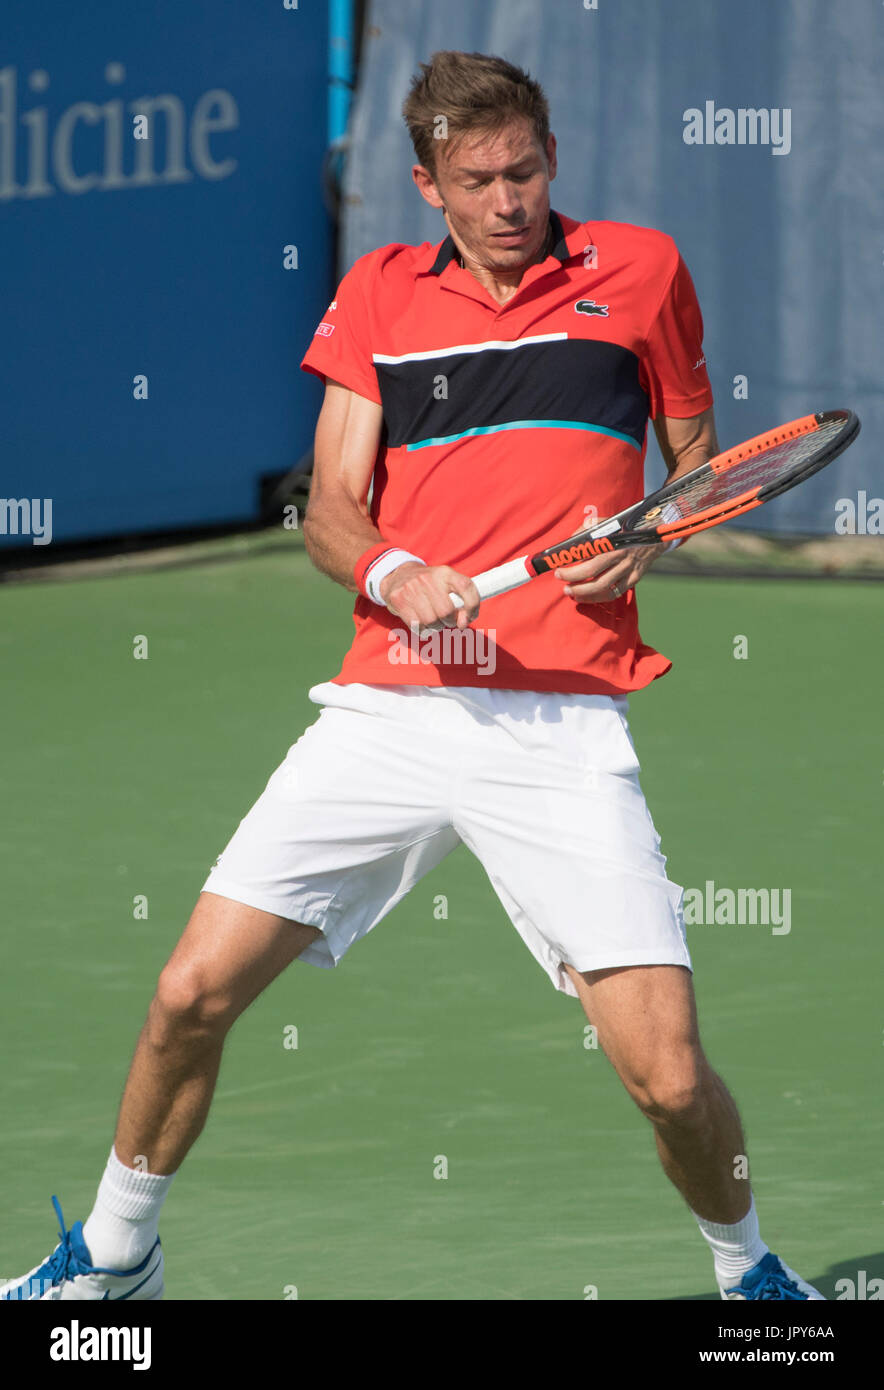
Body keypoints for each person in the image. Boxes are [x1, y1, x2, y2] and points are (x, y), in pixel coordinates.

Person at [2, 50, 822, 1302]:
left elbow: (699, 463)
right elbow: (331, 508)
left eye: (528, 171)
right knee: (187, 993)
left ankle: (749, 1275)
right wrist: (392, 573)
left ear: (553, 158)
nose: (509, 201)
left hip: (558, 721)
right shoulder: (378, 295)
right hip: (391, 706)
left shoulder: (642, 270)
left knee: (662, 1073)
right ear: (426, 184)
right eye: (477, 179)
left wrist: (649, 537)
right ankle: (115, 1258)